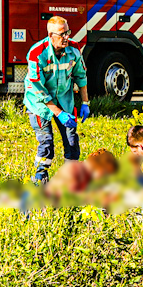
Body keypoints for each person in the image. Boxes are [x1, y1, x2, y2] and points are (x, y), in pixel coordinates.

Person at [23, 15, 89, 181]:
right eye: (62, 34)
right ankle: (39, 180)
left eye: (68, 32)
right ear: (50, 35)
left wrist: (85, 102)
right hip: (39, 104)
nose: (67, 37)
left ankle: (69, 180)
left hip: (64, 100)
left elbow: (81, 76)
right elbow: (40, 90)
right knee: (46, 143)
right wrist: (58, 113)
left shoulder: (74, 48)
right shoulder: (37, 54)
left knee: (72, 141)